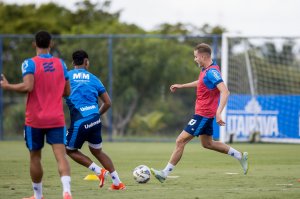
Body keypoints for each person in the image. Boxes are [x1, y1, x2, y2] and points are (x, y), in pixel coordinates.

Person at [151, 43, 249, 183]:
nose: (195, 59)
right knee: (207, 144)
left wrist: (219, 112)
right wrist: (182, 85)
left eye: (196, 56)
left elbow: (225, 91)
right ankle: (240, 156)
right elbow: (201, 82)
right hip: (203, 113)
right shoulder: (207, 70)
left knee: (180, 141)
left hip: (204, 114)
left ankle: (164, 173)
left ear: (203, 56)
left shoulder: (212, 72)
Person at [0, 31, 72, 199]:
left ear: (34, 44)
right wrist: (54, 90)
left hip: (35, 119)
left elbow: (28, 86)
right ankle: (66, 191)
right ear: (51, 44)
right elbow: (67, 91)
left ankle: (38, 196)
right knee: (61, 155)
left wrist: (7, 86)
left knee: (35, 157)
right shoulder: (61, 64)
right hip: (56, 117)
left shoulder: (29, 63)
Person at [64, 50, 125, 190]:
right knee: (97, 151)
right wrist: (96, 115)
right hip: (95, 120)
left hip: (80, 121)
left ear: (73, 63)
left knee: (69, 150)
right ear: (86, 62)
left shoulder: (66, 77)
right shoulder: (94, 78)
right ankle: (118, 183)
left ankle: (99, 172)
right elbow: (108, 102)